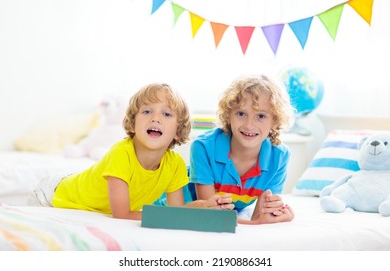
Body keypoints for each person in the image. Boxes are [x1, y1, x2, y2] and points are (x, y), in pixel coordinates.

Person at [28, 83, 233, 220]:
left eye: (167, 114)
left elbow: (175, 214)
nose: (155, 118)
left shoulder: (175, 165)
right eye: (146, 111)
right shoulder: (121, 154)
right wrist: (182, 212)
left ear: (178, 132)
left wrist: (201, 207)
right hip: (52, 194)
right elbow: (122, 215)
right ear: (133, 124)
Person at [189, 74, 295, 225]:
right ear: (228, 115)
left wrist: (277, 215)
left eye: (261, 116)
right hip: (182, 207)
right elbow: (210, 214)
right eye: (241, 113)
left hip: (230, 212)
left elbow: (259, 215)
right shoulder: (204, 147)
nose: (249, 125)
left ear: (275, 120)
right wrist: (256, 224)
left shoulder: (279, 157)